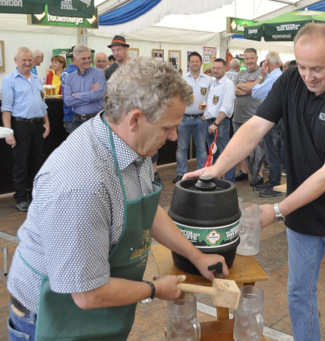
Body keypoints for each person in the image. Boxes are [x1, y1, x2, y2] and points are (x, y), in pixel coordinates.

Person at [6, 58, 229, 340]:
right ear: (134, 118)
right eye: (167, 128)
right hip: (52, 318)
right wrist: (154, 289)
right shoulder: (80, 184)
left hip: (95, 305)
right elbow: (87, 294)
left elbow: (146, 207)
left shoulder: (131, 144)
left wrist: (196, 256)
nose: (174, 137)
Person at [185, 23, 325, 341]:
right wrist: (217, 168)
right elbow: (256, 126)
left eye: (317, 69)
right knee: (299, 293)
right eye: (301, 67)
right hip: (302, 211)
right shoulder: (290, 80)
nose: (308, 76)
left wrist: (278, 210)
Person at [1, 47, 50, 212]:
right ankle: (21, 197)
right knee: (21, 163)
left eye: (30, 60)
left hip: (37, 126)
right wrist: (9, 132)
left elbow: (43, 104)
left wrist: (47, 123)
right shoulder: (9, 80)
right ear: (16, 61)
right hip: (20, 126)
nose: (27, 63)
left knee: (37, 162)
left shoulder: (36, 79)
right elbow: (6, 108)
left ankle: (34, 196)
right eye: (24, 60)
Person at [173, 51, 211, 183]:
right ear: (188, 64)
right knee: (181, 147)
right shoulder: (182, 79)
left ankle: (201, 172)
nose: (195, 63)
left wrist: (206, 110)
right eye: (192, 61)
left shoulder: (208, 80)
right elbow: (176, 97)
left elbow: (211, 99)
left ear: (201, 63)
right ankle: (181, 172)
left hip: (201, 118)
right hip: (185, 118)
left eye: (197, 61)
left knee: (201, 148)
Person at [251, 51, 283, 198]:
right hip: (275, 119)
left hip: (273, 119)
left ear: (268, 63)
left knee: (272, 152)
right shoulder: (276, 76)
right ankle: (272, 182)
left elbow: (255, 92)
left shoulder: (274, 77)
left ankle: (275, 184)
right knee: (271, 151)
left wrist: (261, 75)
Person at [232, 48, 263, 185]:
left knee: (256, 147)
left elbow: (257, 88)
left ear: (256, 58)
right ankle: (244, 172)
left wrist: (243, 87)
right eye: (247, 58)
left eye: (252, 58)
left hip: (254, 116)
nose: (249, 61)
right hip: (237, 116)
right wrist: (249, 88)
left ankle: (258, 174)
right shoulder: (241, 73)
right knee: (240, 147)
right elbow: (232, 89)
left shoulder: (262, 73)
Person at [202, 58, 236, 182]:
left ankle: (229, 182)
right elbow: (211, 103)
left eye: (218, 68)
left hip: (220, 123)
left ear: (225, 69)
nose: (215, 70)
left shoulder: (228, 84)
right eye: (214, 68)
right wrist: (205, 115)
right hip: (209, 122)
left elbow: (226, 108)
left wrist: (216, 123)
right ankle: (216, 180)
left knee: (225, 155)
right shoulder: (212, 83)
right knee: (213, 154)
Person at [64, 44, 106, 133]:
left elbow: (98, 94)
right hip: (77, 121)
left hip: (96, 121)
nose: (87, 61)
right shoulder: (69, 78)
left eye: (89, 57)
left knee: (97, 147)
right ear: (75, 59)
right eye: (84, 58)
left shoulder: (99, 73)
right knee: (77, 147)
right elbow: (68, 101)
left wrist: (76, 95)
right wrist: (90, 95)